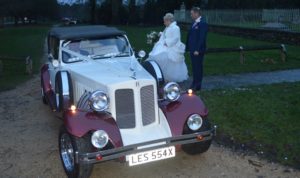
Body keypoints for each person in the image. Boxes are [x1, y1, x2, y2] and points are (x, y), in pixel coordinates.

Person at [148, 13, 188, 82]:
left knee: (170, 61)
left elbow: (176, 38)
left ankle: (171, 77)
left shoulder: (176, 28)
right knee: (158, 56)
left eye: (165, 21)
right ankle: (162, 75)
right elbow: (164, 36)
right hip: (165, 45)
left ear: (169, 20)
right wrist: (160, 40)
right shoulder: (167, 27)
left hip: (173, 47)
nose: (164, 23)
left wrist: (167, 43)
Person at [186, 7, 208, 91]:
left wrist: (197, 50)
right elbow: (190, 36)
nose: (191, 15)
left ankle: (198, 84)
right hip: (192, 50)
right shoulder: (194, 23)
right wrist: (188, 48)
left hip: (197, 51)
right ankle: (194, 83)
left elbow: (202, 38)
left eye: (192, 14)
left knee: (198, 67)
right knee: (194, 67)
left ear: (196, 13)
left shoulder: (203, 23)